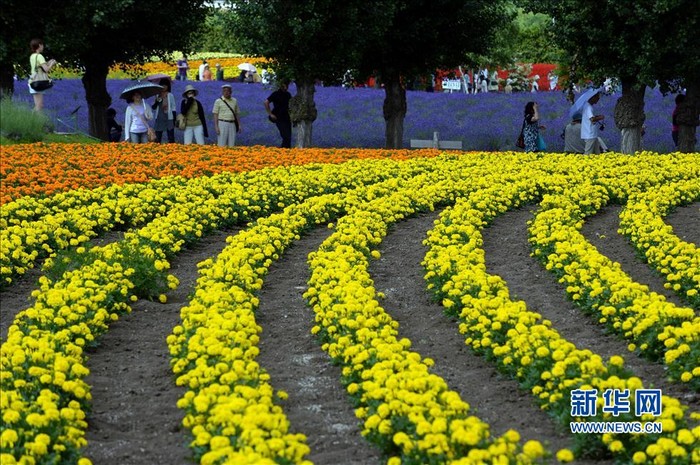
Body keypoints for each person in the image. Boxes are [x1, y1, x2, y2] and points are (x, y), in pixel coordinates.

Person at [28, 38, 57, 112]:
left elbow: (39, 67)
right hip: (39, 82)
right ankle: (35, 122)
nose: (43, 46)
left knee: (38, 105)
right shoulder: (40, 56)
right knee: (39, 106)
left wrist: (48, 63)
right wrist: (52, 64)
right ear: (39, 45)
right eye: (42, 45)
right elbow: (46, 70)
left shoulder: (32, 56)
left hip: (33, 81)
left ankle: (30, 120)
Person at [264, 81, 292, 148]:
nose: (286, 88)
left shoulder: (288, 94)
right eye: (284, 86)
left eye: (287, 86)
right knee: (285, 135)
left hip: (287, 117)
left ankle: (285, 150)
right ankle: (285, 150)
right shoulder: (276, 94)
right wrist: (270, 114)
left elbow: (291, 105)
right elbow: (266, 102)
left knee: (288, 135)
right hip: (278, 117)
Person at [151, 79, 176, 143]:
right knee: (158, 137)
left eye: (165, 85)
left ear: (168, 86)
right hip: (159, 117)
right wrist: (156, 100)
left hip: (169, 117)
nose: (164, 87)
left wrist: (174, 119)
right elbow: (153, 107)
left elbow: (173, 108)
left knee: (171, 137)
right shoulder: (157, 95)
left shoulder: (170, 95)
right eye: (162, 85)